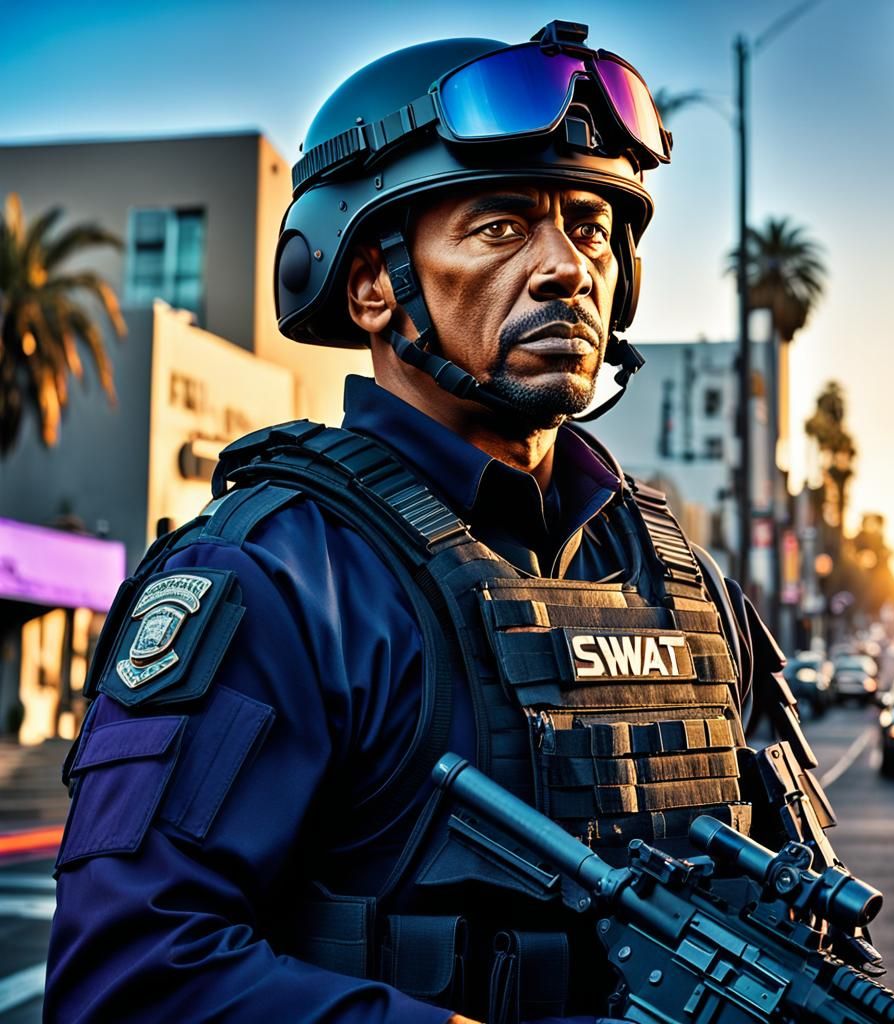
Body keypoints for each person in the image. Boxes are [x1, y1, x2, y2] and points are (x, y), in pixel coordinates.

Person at [45, 21, 836, 1024]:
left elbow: (806, 910)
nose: (566, 267)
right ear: (371, 283)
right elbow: (129, 980)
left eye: (590, 229)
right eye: (501, 228)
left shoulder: (686, 583)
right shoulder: (275, 580)